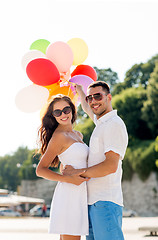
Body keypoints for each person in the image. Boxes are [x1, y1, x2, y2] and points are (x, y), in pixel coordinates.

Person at [63, 81, 128, 240]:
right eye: (89, 98)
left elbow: (110, 166)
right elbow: (88, 109)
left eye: (97, 96)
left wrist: (77, 173)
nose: (93, 101)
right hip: (93, 202)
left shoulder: (113, 124)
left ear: (109, 97)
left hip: (105, 202)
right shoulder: (101, 123)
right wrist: (79, 91)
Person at [36, 94, 90, 240]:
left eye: (66, 110)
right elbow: (40, 170)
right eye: (57, 112)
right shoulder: (59, 136)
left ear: (72, 110)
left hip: (80, 193)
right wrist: (68, 179)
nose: (63, 115)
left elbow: (70, 158)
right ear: (53, 116)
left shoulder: (78, 135)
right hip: (69, 193)